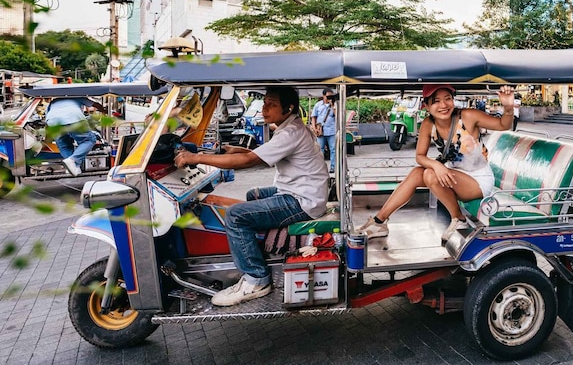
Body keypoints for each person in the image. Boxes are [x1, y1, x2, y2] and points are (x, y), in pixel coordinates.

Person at [174, 86, 329, 306]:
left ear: (289, 108)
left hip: (302, 201)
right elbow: (258, 154)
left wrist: (195, 158)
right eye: (264, 103)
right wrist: (233, 150)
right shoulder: (289, 126)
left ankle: (256, 279)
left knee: (236, 216)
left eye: (271, 105)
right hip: (301, 192)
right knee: (253, 194)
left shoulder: (290, 133)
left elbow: (249, 161)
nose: (264, 109)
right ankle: (260, 250)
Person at [357, 84, 515, 242]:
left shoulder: (468, 116)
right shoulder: (428, 124)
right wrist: (437, 165)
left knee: (430, 174)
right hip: (455, 176)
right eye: (436, 101)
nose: (443, 105)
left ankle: (459, 219)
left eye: (447, 99)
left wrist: (508, 108)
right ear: (426, 106)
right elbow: (420, 156)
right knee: (417, 173)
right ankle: (380, 221)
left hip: (479, 180)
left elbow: (503, 125)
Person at [45, 97, 105, 176]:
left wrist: (47, 139)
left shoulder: (54, 101)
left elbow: (47, 122)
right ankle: (72, 160)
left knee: (64, 145)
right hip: (74, 118)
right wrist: (104, 111)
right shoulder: (77, 96)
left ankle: (73, 168)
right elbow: (95, 104)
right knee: (89, 140)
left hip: (53, 121)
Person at [311, 88, 337, 173]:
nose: (329, 98)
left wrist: (333, 106)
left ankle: (333, 167)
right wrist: (314, 127)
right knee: (320, 149)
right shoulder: (318, 105)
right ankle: (321, 167)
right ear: (323, 96)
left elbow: (337, 116)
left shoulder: (334, 105)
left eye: (331, 96)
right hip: (320, 130)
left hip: (331, 130)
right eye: (328, 96)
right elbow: (313, 117)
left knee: (333, 149)